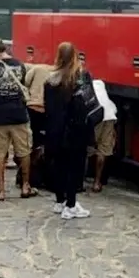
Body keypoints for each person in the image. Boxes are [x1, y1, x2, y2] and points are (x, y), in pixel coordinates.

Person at [0, 37, 35, 201]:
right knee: (24, 152)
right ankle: (25, 186)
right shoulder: (20, 65)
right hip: (19, 115)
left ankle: (1, 191)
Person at [44, 42, 94, 219]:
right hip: (75, 130)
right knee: (74, 168)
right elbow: (88, 104)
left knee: (59, 166)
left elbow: (48, 108)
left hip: (55, 129)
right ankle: (71, 205)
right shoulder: (81, 76)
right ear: (75, 55)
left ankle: (60, 201)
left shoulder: (50, 80)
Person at [24, 62, 53, 186]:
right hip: (46, 110)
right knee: (43, 143)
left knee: (31, 143)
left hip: (32, 108)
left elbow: (26, 82)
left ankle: (28, 176)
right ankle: (42, 175)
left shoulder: (36, 68)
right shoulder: (56, 73)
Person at [88, 78, 117, 193]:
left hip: (95, 115)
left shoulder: (86, 84)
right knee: (103, 150)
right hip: (109, 115)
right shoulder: (100, 83)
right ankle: (96, 182)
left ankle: (78, 181)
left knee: (86, 147)